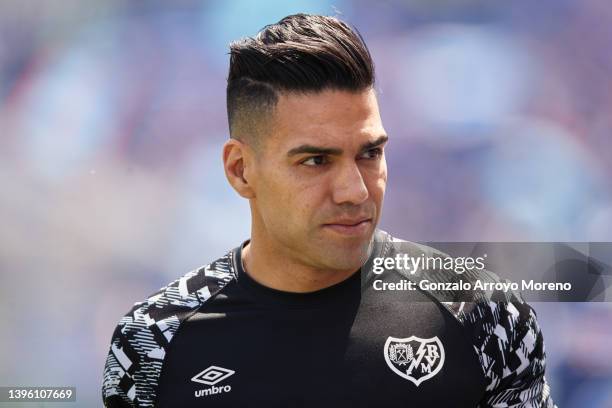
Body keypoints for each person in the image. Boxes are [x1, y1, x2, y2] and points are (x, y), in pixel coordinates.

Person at [101, 13, 555, 407]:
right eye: (316, 161)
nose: (355, 191)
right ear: (241, 171)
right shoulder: (154, 341)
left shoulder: (483, 316)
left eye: (370, 153)